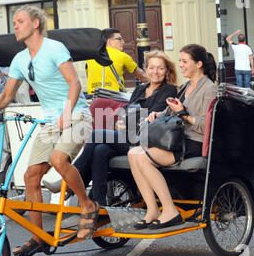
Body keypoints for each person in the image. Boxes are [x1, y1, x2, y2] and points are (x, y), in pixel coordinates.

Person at [0, 5, 97, 256]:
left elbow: (74, 82)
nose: (15, 26)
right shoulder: (19, 59)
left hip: (78, 115)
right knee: (31, 176)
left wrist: (66, 113)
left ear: (35, 24)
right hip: (51, 121)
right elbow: (7, 95)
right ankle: (38, 237)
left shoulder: (54, 48)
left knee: (58, 159)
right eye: (14, 22)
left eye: (19, 21)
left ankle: (87, 204)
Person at [44, 50, 178, 207]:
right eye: (152, 67)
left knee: (96, 135)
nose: (155, 72)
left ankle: (68, 182)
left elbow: (151, 116)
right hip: (128, 135)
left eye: (160, 68)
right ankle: (98, 204)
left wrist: (129, 120)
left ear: (167, 71)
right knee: (100, 150)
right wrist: (119, 122)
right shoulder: (141, 89)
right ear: (146, 69)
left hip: (146, 140)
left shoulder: (169, 90)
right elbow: (127, 111)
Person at [128, 44, 218, 230]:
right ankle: (152, 209)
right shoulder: (186, 87)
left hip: (194, 142)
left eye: (185, 62)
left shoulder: (209, 88)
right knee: (133, 154)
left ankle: (170, 211)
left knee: (143, 159)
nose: (181, 65)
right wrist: (158, 115)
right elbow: (171, 111)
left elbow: (206, 127)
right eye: (180, 61)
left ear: (199, 64)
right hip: (179, 138)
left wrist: (184, 113)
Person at [86, 28, 148, 94]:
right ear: (109, 41)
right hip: (114, 96)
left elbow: (88, 76)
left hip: (93, 96)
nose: (123, 42)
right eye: (119, 39)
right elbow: (141, 76)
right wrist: (157, 84)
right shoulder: (122, 56)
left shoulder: (90, 57)